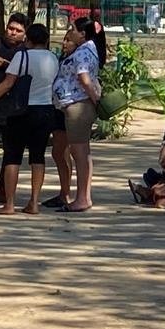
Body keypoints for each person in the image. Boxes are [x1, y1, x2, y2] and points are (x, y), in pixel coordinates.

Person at [0, 23, 59, 216]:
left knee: (13, 157)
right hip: (44, 110)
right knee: (38, 157)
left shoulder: (22, 55)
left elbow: (7, 84)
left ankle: (9, 203)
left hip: (20, 111)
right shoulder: (53, 58)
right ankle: (34, 202)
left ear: (28, 39)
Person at [49, 17, 105, 212]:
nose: (69, 31)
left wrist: (95, 100)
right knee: (82, 153)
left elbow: (84, 78)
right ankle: (83, 195)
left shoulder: (82, 52)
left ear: (82, 33)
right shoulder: (89, 49)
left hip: (77, 106)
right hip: (75, 104)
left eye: (72, 29)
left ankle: (82, 197)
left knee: (79, 153)